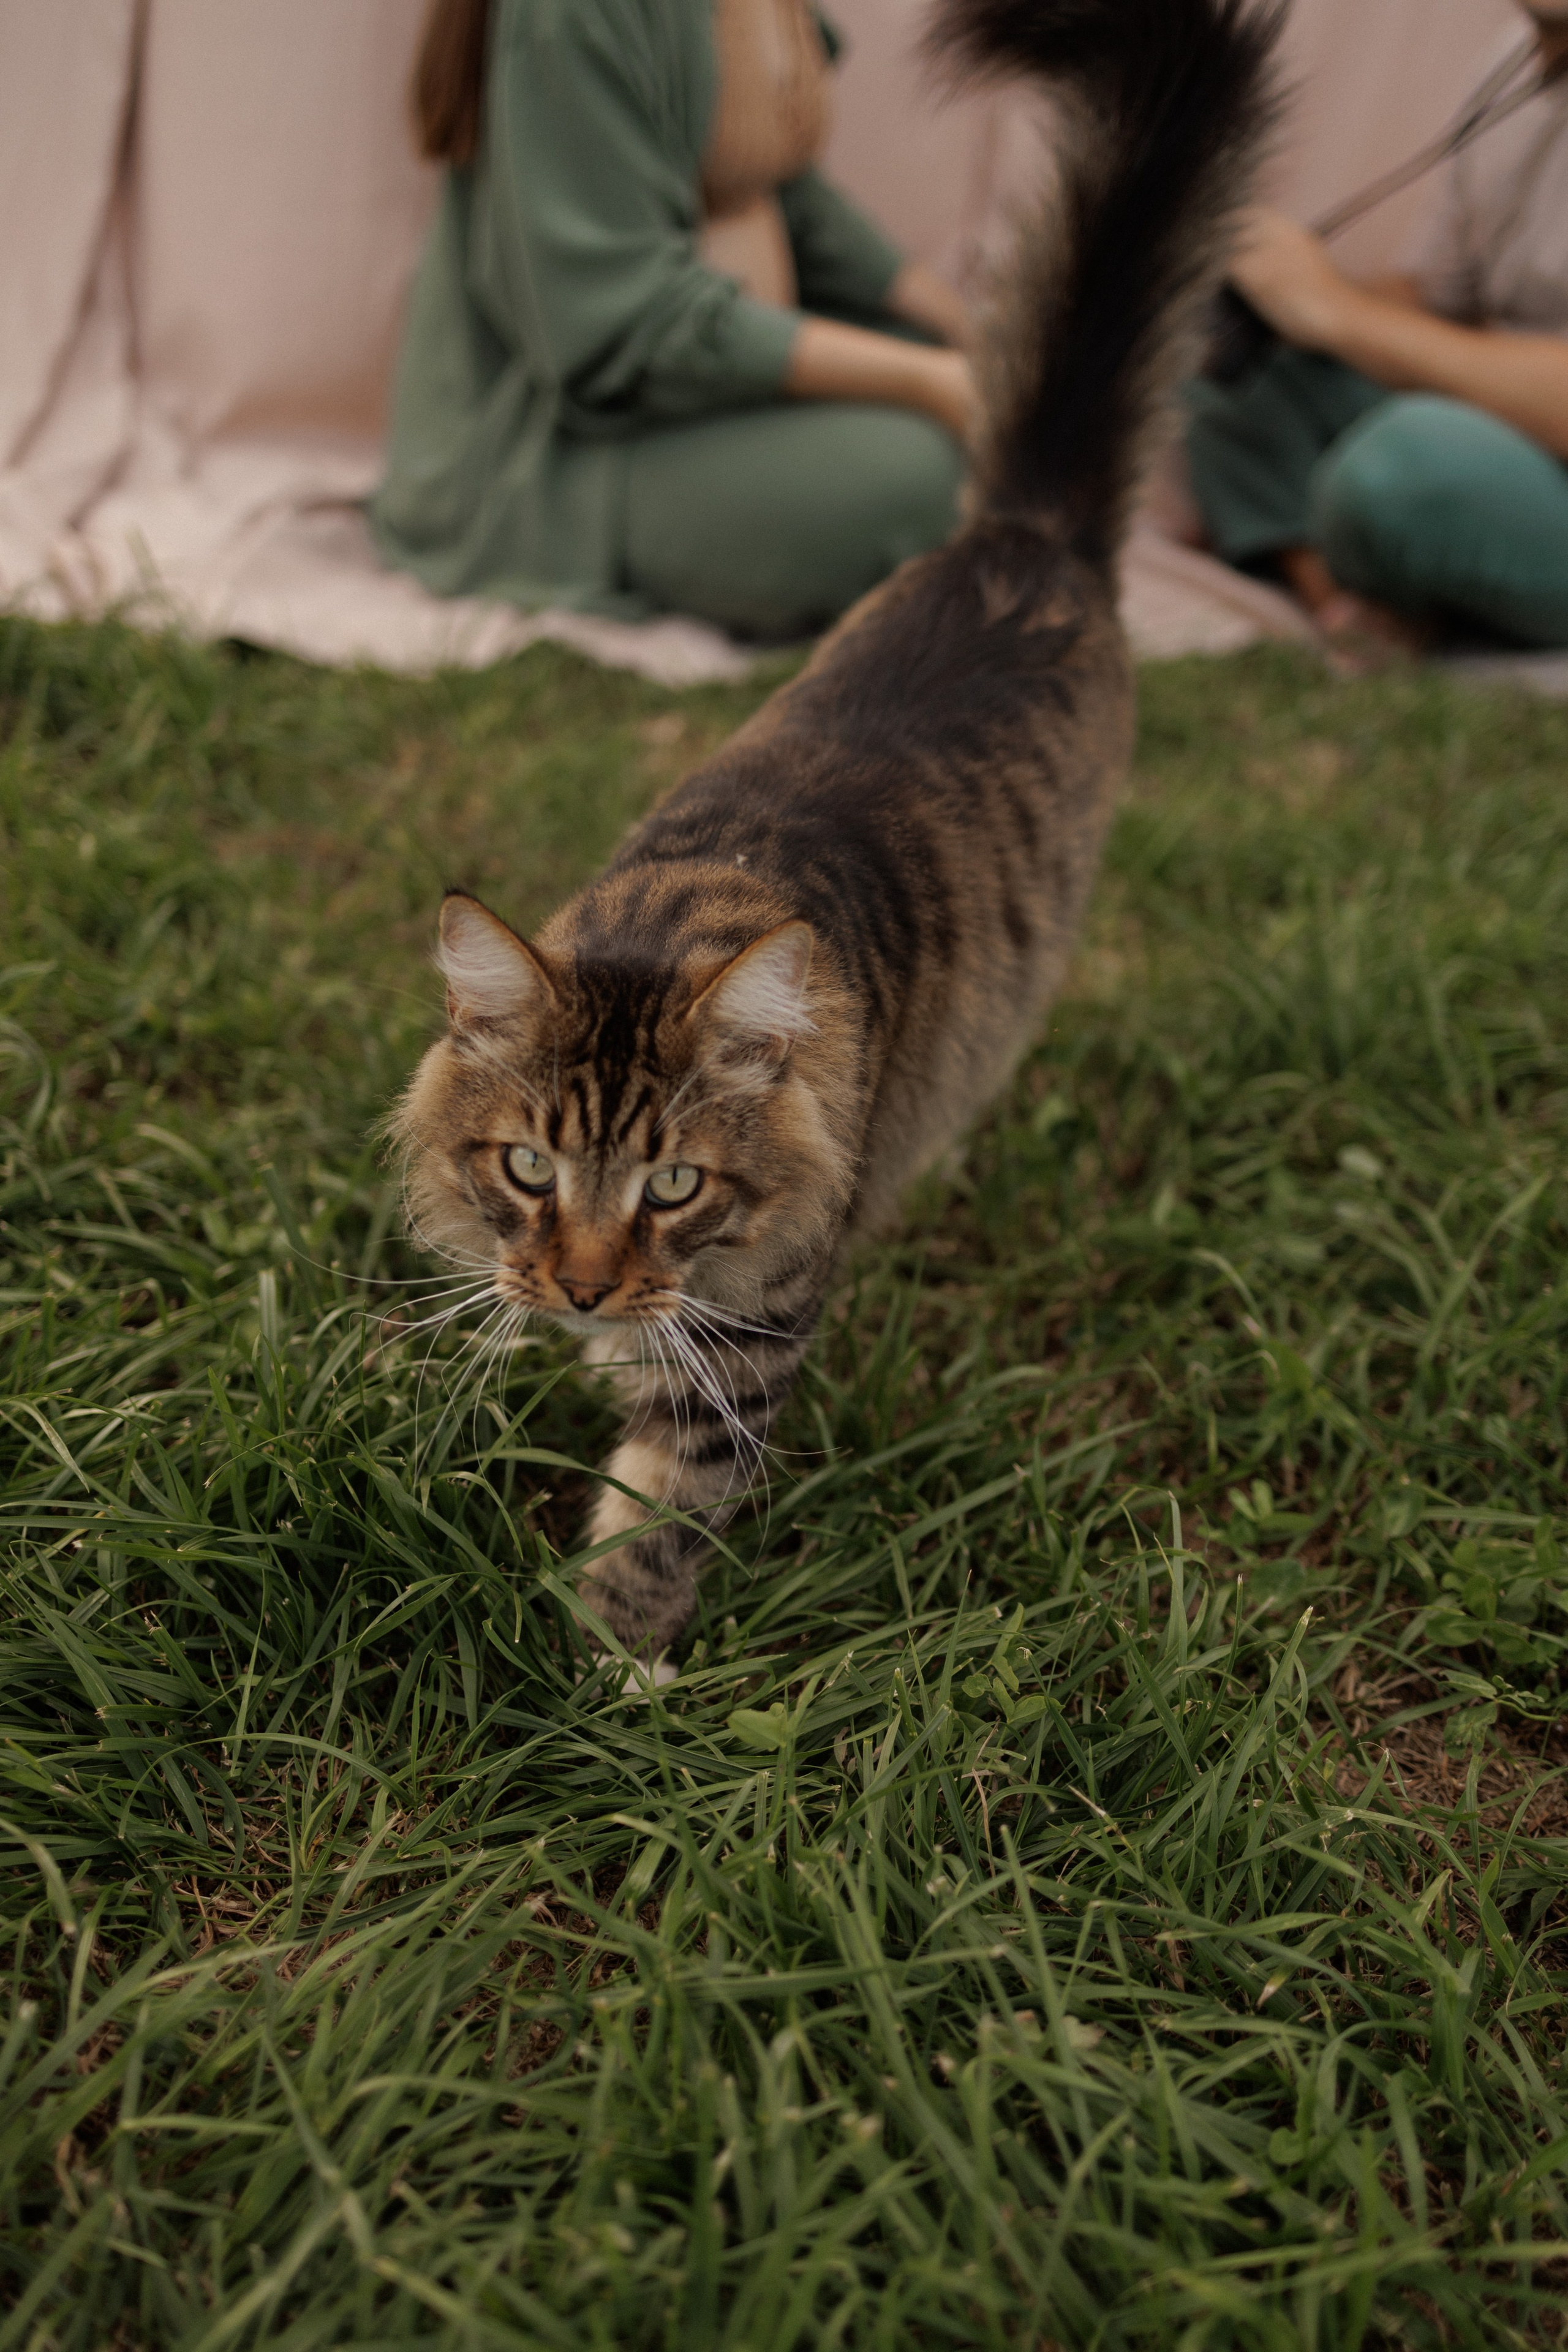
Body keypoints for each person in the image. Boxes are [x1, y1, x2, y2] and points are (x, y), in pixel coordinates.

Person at [371, 0, 976, 639]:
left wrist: (959, 328)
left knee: (995, 403)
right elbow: (627, 325)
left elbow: (780, 183)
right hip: (564, 446)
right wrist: (927, 380)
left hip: (705, 378)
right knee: (926, 474)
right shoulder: (572, 14)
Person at [1185, 1, 1568, 653]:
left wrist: (1337, 312)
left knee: (1397, 466)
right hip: (1501, 429)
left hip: (1517, 446)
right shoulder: (1508, 61)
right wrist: (1276, 292)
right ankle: (1344, 608)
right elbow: (1437, 298)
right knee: (1230, 370)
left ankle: (1389, 599)